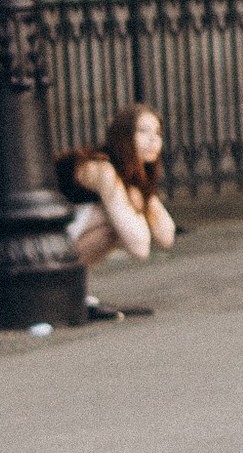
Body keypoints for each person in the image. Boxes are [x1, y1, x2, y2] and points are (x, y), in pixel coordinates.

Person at [57, 102, 175, 314]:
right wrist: (137, 199)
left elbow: (166, 236)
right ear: (123, 136)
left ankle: (69, 290)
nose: (152, 141)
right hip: (45, 242)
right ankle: (60, 289)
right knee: (112, 220)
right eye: (142, 132)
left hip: (62, 238)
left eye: (157, 133)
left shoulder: (128, 172)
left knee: (119, 221)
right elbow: (140, 247)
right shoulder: (102, 168)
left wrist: (144, 196)